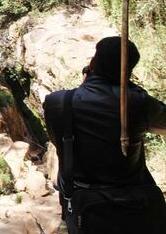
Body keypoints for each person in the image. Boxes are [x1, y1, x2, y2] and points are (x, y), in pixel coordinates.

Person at [44, 36, 166, 234]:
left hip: (85, 206)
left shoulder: (57, 102)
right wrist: (131, 89)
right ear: (128, 71)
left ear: (93, 63)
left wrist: (85, 85)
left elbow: (58, 140)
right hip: (135, 208)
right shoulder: (138, 103)